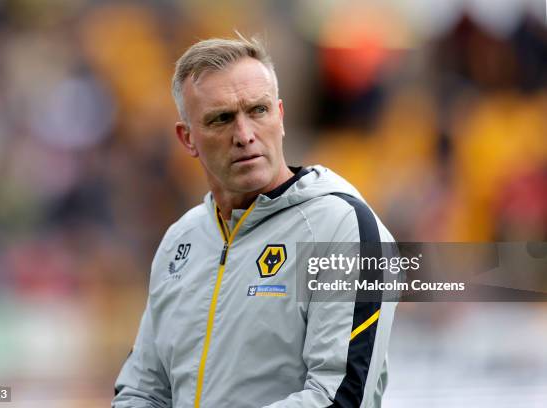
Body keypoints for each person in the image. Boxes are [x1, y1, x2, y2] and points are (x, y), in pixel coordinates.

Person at [112, 34, 397, 408]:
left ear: (280, 115)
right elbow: (142, 391)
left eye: (257, 111)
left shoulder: (342, 228)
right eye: (221, 119)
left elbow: (339, 397)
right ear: (188, 138)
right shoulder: (180, 240)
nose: (244, 135)